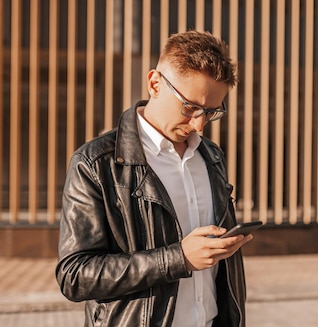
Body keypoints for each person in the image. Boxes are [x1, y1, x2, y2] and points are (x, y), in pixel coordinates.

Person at [56, 30, 253, 327]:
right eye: (190, 108)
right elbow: (75, 275)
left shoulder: (211, 156)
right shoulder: (96, 163)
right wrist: (180, 259)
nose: (199, 125)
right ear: (155, 83)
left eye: (211, 112)